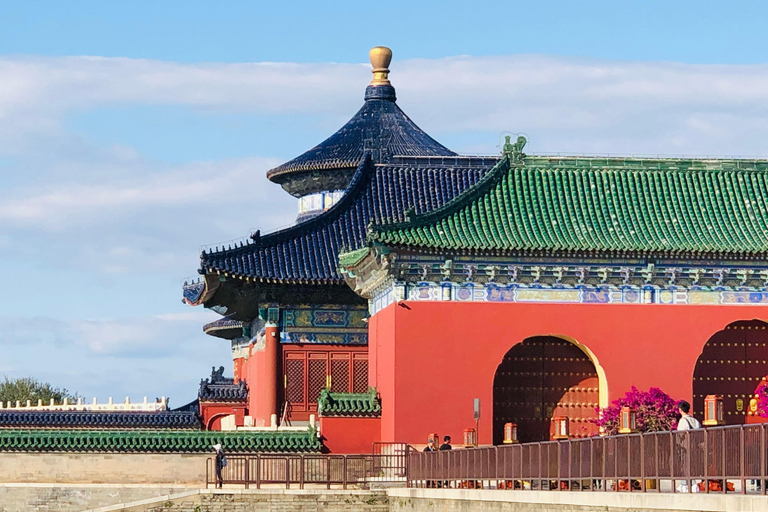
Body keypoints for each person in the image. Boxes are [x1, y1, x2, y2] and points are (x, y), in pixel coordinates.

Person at [675, 401, 701, 493]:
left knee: (685, 465)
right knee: (691, 464)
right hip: (695, 446)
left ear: (680, 410)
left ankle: (690, 484)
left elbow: (680, 435)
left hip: (685, 446)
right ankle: (685, 484)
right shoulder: (695, 420)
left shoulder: (683, 421)